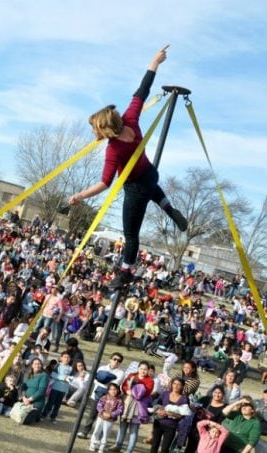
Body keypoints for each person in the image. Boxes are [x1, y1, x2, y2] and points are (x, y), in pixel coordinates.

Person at [69, 45, 187, 289]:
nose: (93, 133)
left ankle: (125, 273)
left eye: (95, 129)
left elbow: (105, 183)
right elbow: (142, 91)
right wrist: (154, 62)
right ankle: (169, 208)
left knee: (131, 235)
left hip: (136, 187)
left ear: (105, 129)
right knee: (150, 185)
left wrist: (80, 195)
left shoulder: (113, 150)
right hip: (149, 173)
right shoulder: (130, 119)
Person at [142, 377, 188, 453]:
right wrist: (158, 411)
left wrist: (169, 413)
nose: (176, 386)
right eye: (174, 383)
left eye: (178, 384)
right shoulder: (165, 393)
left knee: (165, 448)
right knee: (155, 444)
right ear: (171, 384)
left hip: (171, 426)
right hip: (159, 423)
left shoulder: (184, 399)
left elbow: (182, 415)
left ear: (182, 386)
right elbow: (156, 405)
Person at [89, 383, 124, 453]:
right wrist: (102, 412)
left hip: (110, 420)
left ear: (118, 390)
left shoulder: (119, 400)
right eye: (111, 389)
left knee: (105, 433)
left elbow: (120, 410)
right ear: (108, 390)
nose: (113, 391)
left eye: (115, 389)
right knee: (96, 431)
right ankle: (93, 444)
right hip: (101, 417)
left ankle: (102, 447)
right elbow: (99, 406)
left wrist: (111, 414)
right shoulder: (104, 397)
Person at [42, 352, 72, 424]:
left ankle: (53, 417)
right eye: (64, 357)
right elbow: (53, 374)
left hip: (63, 389)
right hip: (55, 388)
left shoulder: (71, 368)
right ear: (61, 358)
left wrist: (70, 378)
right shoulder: (58, 366)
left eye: (68, 357)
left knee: (58, 404)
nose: (66, 359)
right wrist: (62, 378)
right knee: (50, 402)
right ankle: (44, 415)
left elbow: (73, 377)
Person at [20, 358, 49, 425]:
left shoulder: (44, 376)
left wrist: (29, 400)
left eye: (39, 364)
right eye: (35, 364)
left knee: (26, 421)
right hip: (25, 399)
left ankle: (37, 415)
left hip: (37, 401)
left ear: (41, 365)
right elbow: (23, 387)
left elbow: (41, 391)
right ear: (32, 365)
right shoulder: (27, 374)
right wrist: (24, 397)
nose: (37, 365)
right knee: (19, 414)